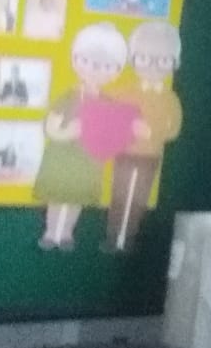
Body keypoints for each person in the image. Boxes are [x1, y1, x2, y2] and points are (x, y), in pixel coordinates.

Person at [33, 22, 127, 251]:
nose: (95, 70)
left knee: (75, 199)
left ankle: (66, 233)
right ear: (76, 60)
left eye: (105, 66)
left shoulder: (108, 103)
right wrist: (67, 132)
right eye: (88, 62)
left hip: (87, 160)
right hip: (63, 157)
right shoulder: (68, 96)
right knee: (58, 196)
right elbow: (51, 126)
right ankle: (51, 232)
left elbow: (112, 134)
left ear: (116, 71)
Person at [103, 21, 183, 253]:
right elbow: (107, 112)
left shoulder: (169, 99)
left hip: (150, 155)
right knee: (120, 193)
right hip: (125, 152)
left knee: (139, 197)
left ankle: (128, 237)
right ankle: (113, 236)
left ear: (174, 63)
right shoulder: (126, 92)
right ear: (133, 59)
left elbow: (173, 129)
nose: (154, 66)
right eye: (145, 59)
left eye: (163, 61)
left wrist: (153, 132)